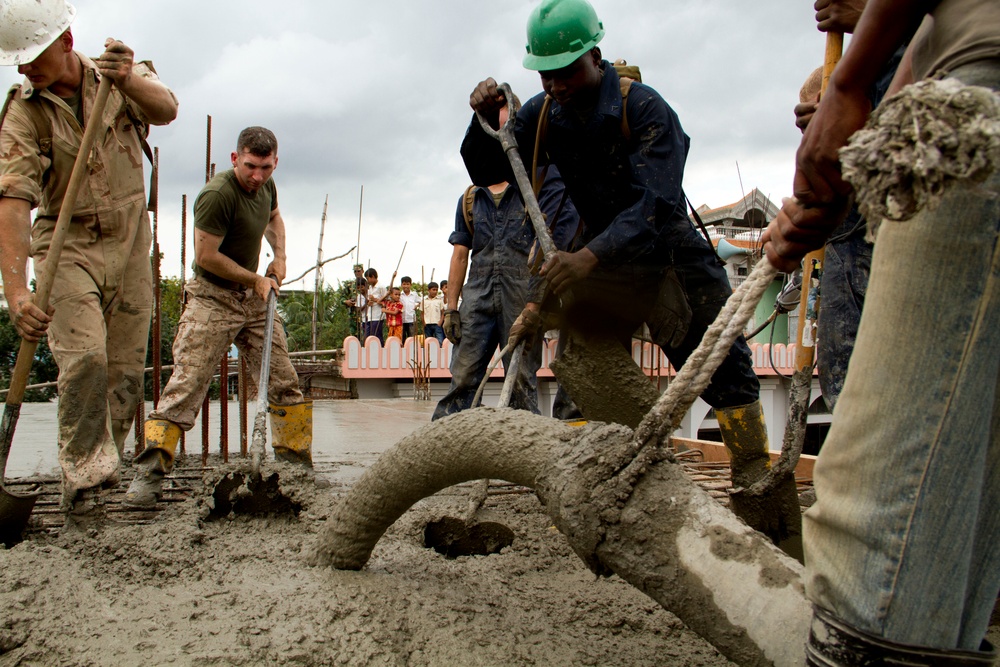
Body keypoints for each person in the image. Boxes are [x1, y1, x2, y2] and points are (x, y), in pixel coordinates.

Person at [461, 0, 800, 552]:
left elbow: (657, 204)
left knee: (722, 368)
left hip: (668, 254)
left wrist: (586, 259)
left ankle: (756, 487)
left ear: (595, 56)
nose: (557, 84)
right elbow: (490, 167)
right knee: (587, 368)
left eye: (568, 71)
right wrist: (484, 119)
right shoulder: (543, 114)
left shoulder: (643, 109)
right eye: (546, 74)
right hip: (602, 260)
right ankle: (600, 489)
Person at [762, 0, 1000, 662]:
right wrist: (858, 147)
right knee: (959, 525)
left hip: (970, 124)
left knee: (871, 526)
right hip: (952, 102)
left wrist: (847, 81)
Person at [0, 0, 178, 524]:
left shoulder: (119, 73)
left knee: (124, 370)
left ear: (68, 42)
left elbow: (166, 108)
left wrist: (127, 82)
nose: (24, 67)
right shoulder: (22, 113)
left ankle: (103, 468)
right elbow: (12, 202)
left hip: (129, 243)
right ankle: (84, 481)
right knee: (84, 361)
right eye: (18, 59)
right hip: (66, 244)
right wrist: (17, 292)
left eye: (34, 56)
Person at [124, 127, 313, 508]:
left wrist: (280, 258)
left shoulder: (267, 187)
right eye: (249, 167)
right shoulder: (217, 195)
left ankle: (296, 469)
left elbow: (275, 221)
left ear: (275, 162)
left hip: (255, 300)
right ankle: (149, 475)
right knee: (188, 382)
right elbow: (206, 256)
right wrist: (256, 278)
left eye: (265, 167)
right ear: (234, 159)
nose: (257, 176)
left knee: (284, 381)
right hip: (212, 297)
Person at [795, 0, 911, 413]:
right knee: (846, 383)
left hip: (906, 225)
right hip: (848, 238)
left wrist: (868, 21)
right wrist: (822, 134)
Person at [433, 100, 580, 421]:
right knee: (463, 377)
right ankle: (448, 448)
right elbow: (460, 255)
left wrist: (535, 306)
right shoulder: (471, 198)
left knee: (522, 381)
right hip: (478, 298)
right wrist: (451, 308)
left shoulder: (534, 188)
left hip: (522, 297)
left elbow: (551, 241)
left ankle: (523, 451)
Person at [363, 267, 386, 343]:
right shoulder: (370, 288)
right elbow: (369, 301)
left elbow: (386, 301)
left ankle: (381, 350)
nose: (367, 280)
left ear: (373, 277)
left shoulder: (381, 287)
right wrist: (369, 303)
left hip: (378, 315)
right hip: (370, 315)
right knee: (368, 336)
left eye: (368, 278)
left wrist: (375, 299)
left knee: (377, 335)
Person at [398, 276, 420, 341]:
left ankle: (412, 351)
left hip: (411, 320)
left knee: (412, 339)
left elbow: (421, 302)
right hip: (401, 320)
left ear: (410, 284)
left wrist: (417, 306)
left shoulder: (414, 294)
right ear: (401, 285)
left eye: (407, 284)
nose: (406, 286)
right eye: (404, 284)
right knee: (402, 338)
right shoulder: (399, 295)